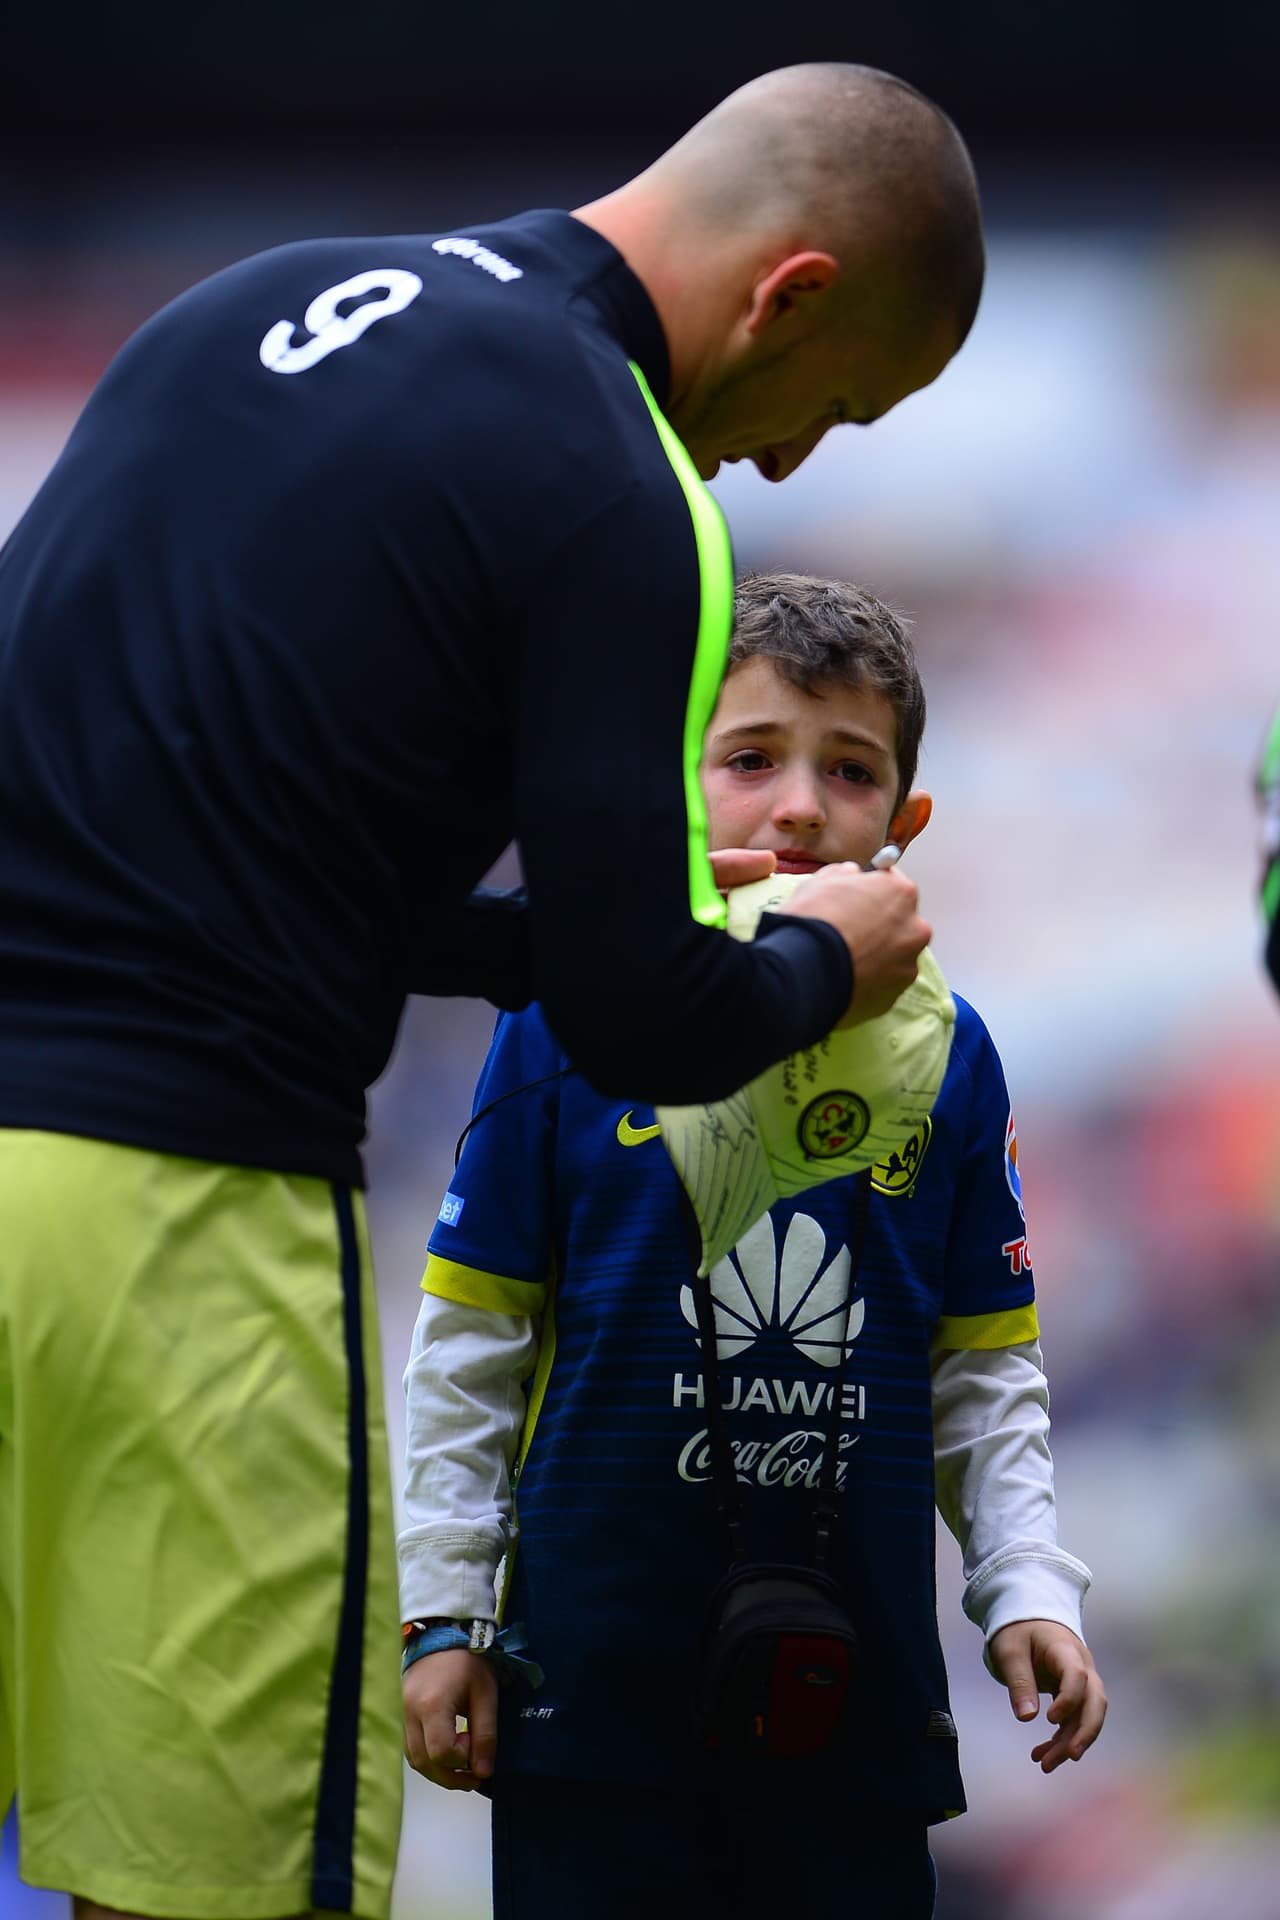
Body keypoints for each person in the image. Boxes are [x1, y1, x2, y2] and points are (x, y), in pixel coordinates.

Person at [0, 63, 984, 1920]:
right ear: (787, 296)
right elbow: (637, 1022)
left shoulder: (247, 307)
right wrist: (807, 959)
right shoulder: (620, 484)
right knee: (197, 1887)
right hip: (171, 1217)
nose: (783, 459)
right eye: (833, 403)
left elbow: (253, 855)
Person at [399, 572, 1108, 1919]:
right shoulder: (560, 1023)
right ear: (678, 782)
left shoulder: (957, 1061)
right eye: (750, 758)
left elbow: (984, 1375)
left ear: (903, 822)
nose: (797, 802)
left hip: (856, 1723)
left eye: (848, 769)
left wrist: (1029, 1588)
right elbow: (469, 1348)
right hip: (588, 1721)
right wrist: (445, 1618)